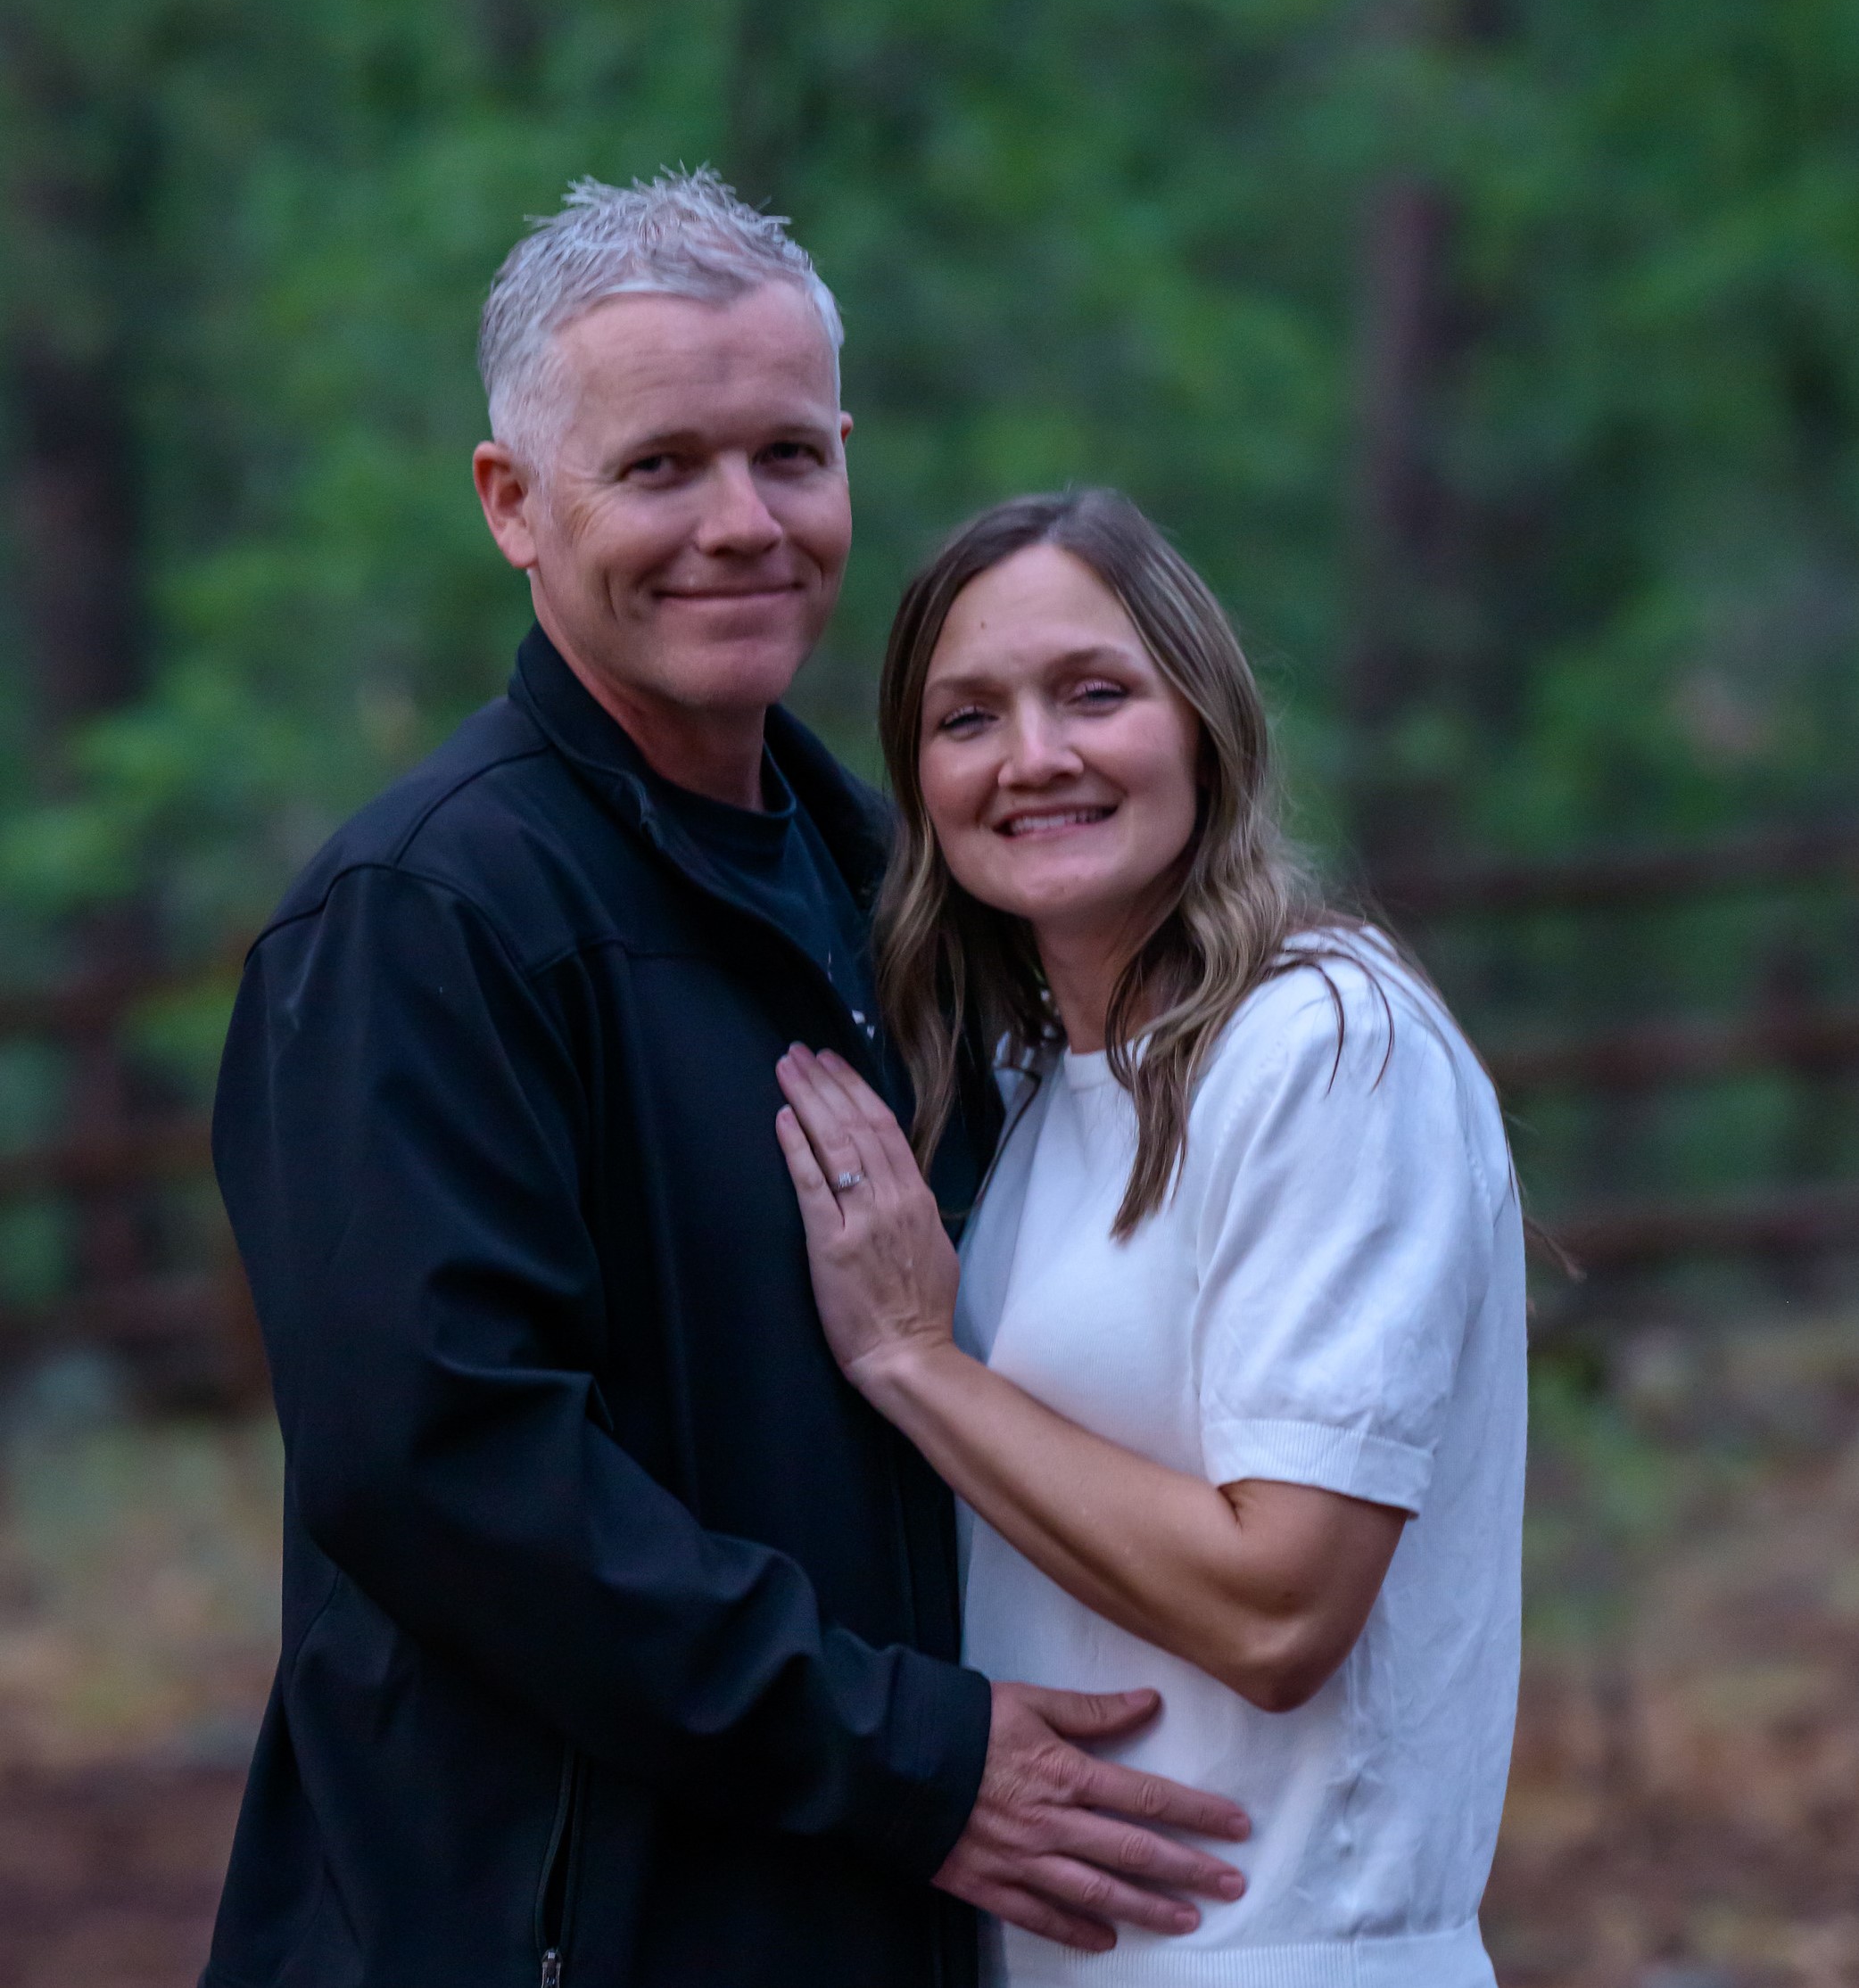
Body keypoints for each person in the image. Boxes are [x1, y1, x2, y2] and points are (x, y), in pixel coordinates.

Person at [202, 179, 1250, 1988]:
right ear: (511, 504)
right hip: (536, 1933)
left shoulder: (888, 896)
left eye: (786, 454)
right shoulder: (425, 920)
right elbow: (444, 1470)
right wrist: (910, 1756)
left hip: (851, 1911)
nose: (741, 526)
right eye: (660, 467)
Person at [774, 490, 1527, 1986]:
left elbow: (1283, 1607)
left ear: (1204, 723)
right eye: (968, 716)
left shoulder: (1325, 1044)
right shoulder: (1033, 1089)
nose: (1034, 756)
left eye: (1095, 695)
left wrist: (920, 1359)